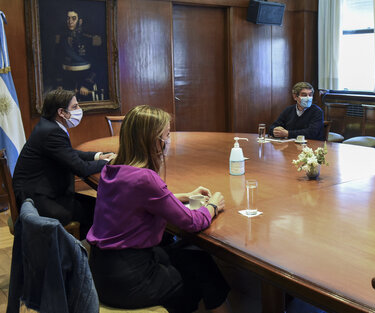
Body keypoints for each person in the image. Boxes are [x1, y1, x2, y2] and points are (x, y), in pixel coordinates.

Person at [86, 105, 231, 313]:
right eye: (167, 135)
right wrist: (213, 205)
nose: (169, 141)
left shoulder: (113, 168)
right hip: (130, 282)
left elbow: (138, 200)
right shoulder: (145, 179)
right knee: (203, 270)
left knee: (187, 256)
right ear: (154, 140)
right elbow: (192, 222)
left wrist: (185, 196)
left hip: (102, 271)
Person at [12, 89, 114, 239]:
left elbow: (68, 153)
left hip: (42, 191)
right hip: (38, 200)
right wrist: (109, 162)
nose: (79, 110)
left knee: (99, 206)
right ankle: (81, 254)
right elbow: (81, 169)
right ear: (61, 112)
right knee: (100, 211)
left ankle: (86, 252)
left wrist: (98, 156)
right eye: (74, 107)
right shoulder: (52, 132)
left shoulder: (48, 126)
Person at [55, 8, 104, 101]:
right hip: (67, 81)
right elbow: (58, 62)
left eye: (73, 18)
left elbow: (98, 64)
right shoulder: (61, 39)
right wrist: (59, 83)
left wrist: (87, 84)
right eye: (68, 18)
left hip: (85, 80)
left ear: (80, 21)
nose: (70, 22)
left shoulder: (89, 39)